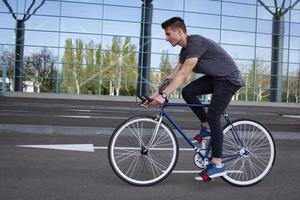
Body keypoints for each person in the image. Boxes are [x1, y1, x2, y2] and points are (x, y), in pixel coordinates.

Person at [147, 17, 245, 181]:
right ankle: (206, 126)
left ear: (179, 32)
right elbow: (173, 75)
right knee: (188, 92)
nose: (166, 38)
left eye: (168, 33)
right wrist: (155, 94)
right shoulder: (184, 51)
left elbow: (184, 74)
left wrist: (164, 96)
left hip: (229, 80)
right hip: (215, 78)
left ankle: (217, 164)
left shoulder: (196, 43)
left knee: (214, 116)